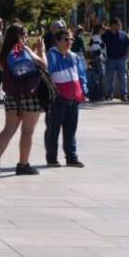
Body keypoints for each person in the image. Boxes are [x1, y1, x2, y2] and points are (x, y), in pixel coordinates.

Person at [0, 24, 48, 176]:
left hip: (11, 96)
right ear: (22, 35)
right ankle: (23, 165)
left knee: (8, 130)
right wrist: (41, 50)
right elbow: (43, 65)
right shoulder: (23, 48)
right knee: (27, 132)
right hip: (30, 95)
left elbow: (9, 69)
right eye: (26, 34)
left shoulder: (5, 52)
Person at [44, 30, 87, 168]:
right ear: (57, 41)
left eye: (71, 40)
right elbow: (47, 74)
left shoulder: (75, 57)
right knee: (53, 129)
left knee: (71, 130)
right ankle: (52, 158)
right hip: (57, 99)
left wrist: (84, 90)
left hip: (73, 99)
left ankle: (71, 157)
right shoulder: (51, 55)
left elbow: (81, 75)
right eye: (66, 39)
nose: (69, 42)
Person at [101, 18, 129, 102]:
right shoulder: (106, 34)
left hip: (121, 59)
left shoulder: (123, 34)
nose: (120, 26)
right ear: (112, 25)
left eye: (120, 24)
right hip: (110, 59)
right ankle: (109, 95)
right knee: (109, 78)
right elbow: (101, 43)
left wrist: (126, 55)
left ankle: (124, 95)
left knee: (123, 78)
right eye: (118, 24)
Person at [86, 24, 106, 102]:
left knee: (95, 77)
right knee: (98, 77)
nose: (103, 31)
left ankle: (94, 95)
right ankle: (98, 95)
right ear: (99, 30)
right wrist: (102, 55)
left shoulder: (93, 37)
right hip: (97, 59)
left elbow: (90, 48)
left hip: (94, 59)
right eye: (102, 29)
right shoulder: (97, 38)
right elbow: (97, 49)